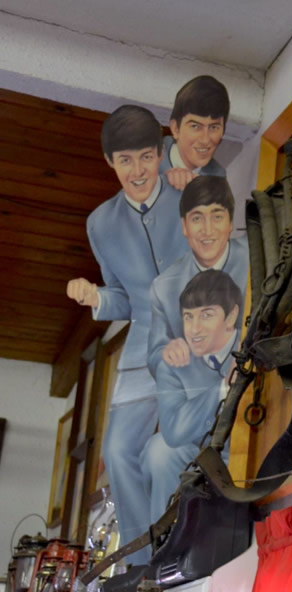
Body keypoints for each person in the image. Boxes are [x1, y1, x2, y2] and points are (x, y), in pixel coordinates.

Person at [65, 105, 190, 566]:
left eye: (146, 157)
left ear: (160, 153)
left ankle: (182, 540)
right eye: (125, 160)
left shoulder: (188, 191)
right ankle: (141, 563)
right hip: (143, 348)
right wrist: (95, 297)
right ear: (109, 162)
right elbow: (123, 298)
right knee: (118, 452)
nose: (137, 171)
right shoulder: (100, 223)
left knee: (176, 446)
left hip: (201, 337)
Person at [143, 270, 242, 522]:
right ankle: (166, 536)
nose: (194, 329)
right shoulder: (174, 363)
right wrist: (222, 389)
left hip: (255, 456)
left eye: (207, 315)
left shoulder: (251, 345)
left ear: (231, 316)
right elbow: (173, 430)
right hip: (204, 463)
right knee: (159, 450)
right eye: (188, 317)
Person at [147, 176, 248, 377]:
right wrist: (168, 352)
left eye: (217, 216)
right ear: (184, 226)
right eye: (197, 218)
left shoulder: (256, 254)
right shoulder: (163, 288)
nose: (207, 230)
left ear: (230, 222)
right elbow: (154, 356)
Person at [160, 75, 229, 190]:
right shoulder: (147, 157)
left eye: (214, 127)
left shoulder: (218, 178)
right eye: (195, 126)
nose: (205, 140)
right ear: (175, 128)